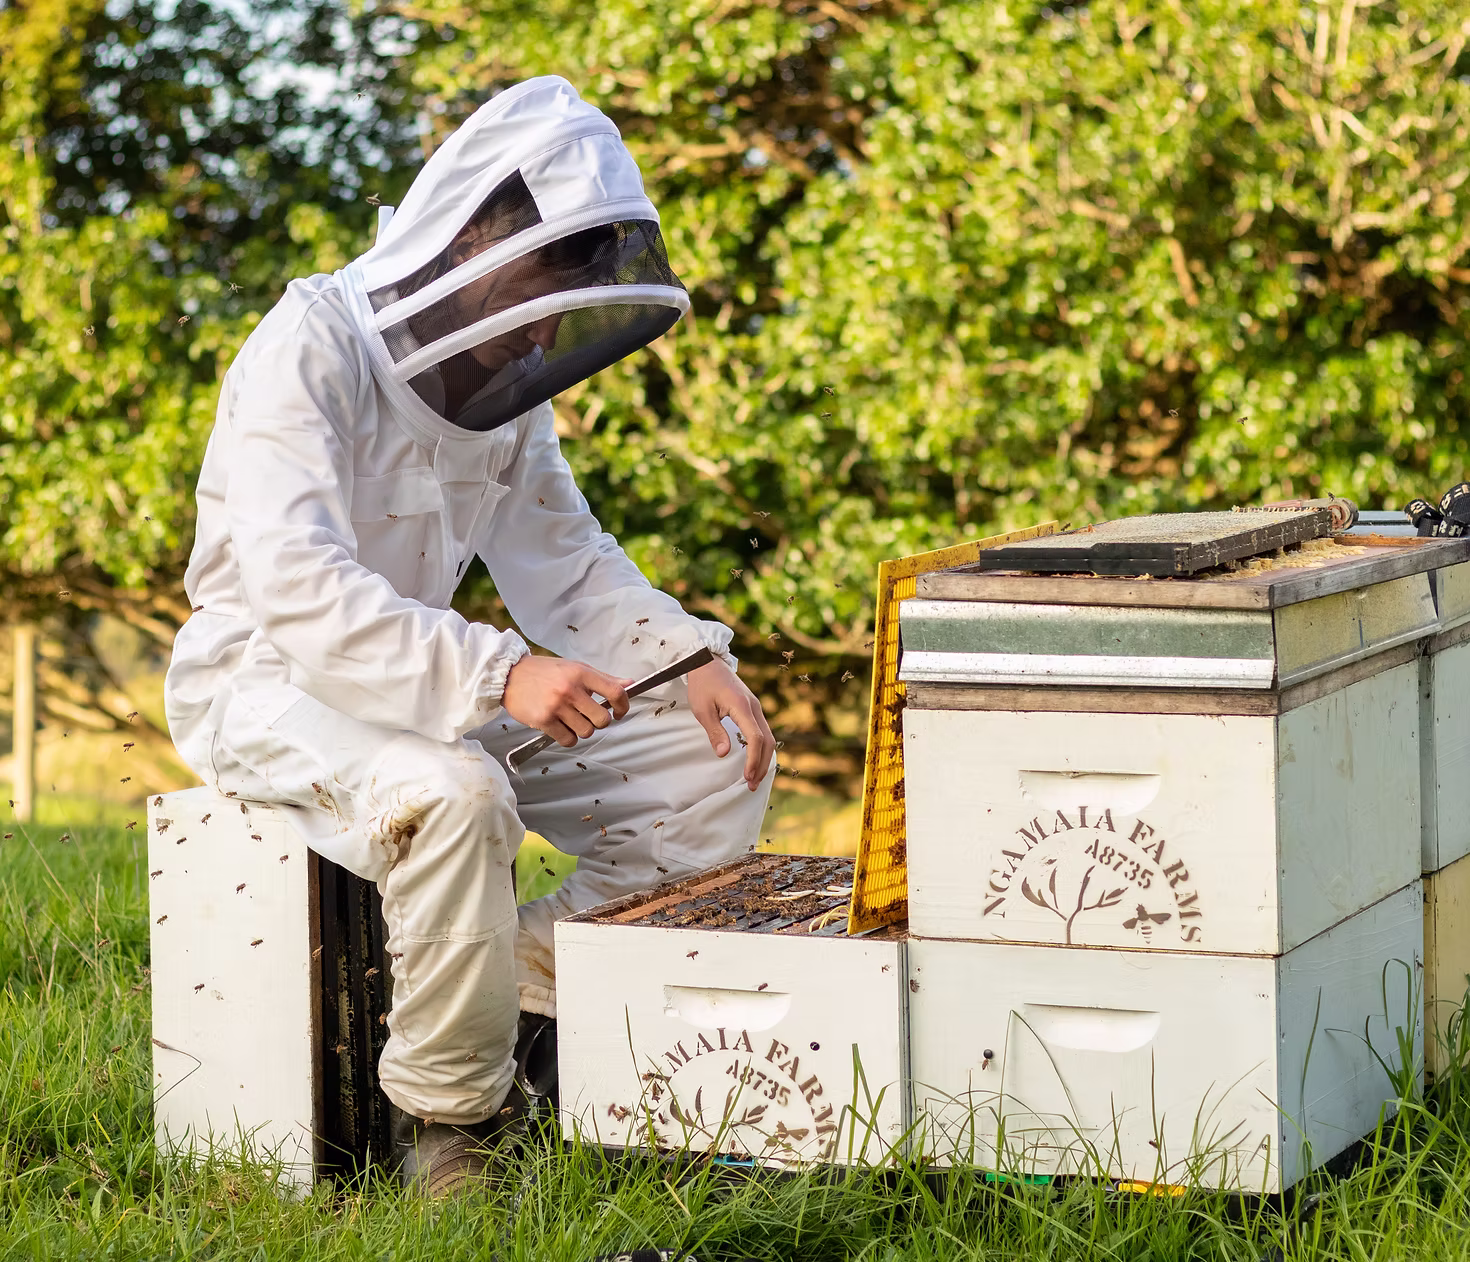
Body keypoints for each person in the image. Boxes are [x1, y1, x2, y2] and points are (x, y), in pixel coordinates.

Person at [163, 76, 778, 1195]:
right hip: (264, 681)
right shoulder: (310, 344)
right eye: (541, 291)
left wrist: (685, 654)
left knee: (709, 759)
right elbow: (294, 583)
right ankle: (450, 1126)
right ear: (474, 239)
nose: (543, 331)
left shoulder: (506, 385)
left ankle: (526, 996)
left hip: (430, 686)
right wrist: (500, 671)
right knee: (456, 794)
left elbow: (565, 553)